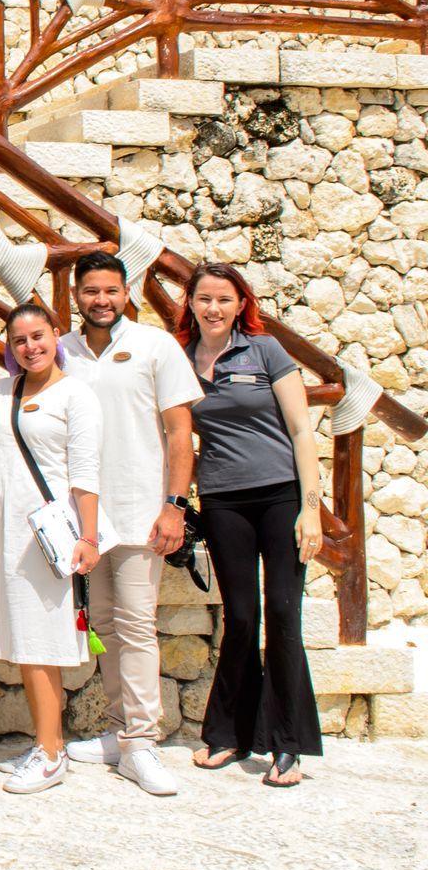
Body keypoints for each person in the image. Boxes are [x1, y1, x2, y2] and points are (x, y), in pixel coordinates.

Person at [60, 250, 202, 797]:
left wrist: (175, 505)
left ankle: (143, 742)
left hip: (143, 511)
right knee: (108, 627)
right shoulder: (65, 351)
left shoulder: (155, 346)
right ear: (76, 295)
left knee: (138, 626)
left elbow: (178, 434)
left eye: (111, 291)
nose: (101, 301)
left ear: (127, 294)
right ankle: (121, 734)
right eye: (91, 291)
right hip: (87, 520)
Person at [179, 263, 324, 787]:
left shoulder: (265, 351)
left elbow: (303, 430)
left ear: (241, 304)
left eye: (224, 299)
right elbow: (174, 436)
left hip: (281, 498)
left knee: (284, 614)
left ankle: (288, 744)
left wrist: (311, 507)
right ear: (190, 303)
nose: (213, 309)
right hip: (223, 502)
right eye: (204, 299)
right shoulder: (180, 362)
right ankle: (230, 735)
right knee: (242, 616)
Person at [0, 303, 107, 795]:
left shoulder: (76, 395)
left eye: (38, 336)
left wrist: (87, 538)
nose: (30, 347)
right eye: (20, 340)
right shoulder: (0, 391)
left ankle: (51, 752)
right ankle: (45, 743)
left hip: (45, 535)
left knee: (41, 641)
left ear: (55, 336)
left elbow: (85, 475)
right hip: (4, 529)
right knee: (23, 639)